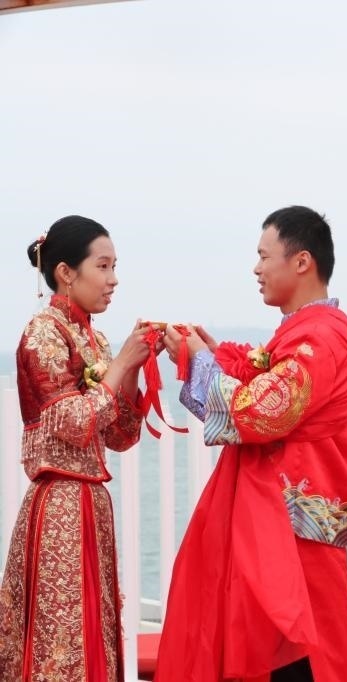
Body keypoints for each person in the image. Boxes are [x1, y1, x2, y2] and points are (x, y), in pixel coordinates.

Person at [155, 206, 347, 681]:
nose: (256, 268)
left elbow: (262, 411)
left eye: (264, 256)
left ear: (302, 261)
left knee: (294, 653)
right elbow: (263, 389)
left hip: (291, 531)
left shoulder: (319, 339)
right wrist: (209, 358)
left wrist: (202, 362)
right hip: (290, 525)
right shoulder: (306, 334)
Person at [0, 215, 153, 681]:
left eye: (114, 267)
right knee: (63, 637)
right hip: (60, 504)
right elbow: (72, 423)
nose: (113, 279)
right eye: (103, 266)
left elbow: (122, 436)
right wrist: (119, 364)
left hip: (91, 502)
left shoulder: (94, 338)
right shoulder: (41, 333)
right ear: (66, 272)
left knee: (91, 633)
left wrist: (132, 368)